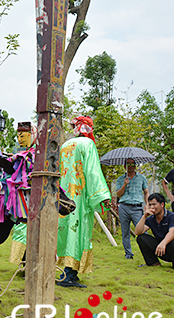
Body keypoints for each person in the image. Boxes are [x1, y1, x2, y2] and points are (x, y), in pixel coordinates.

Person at [57, 116, 111, 288]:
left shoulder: (65, 145)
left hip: (64, 195)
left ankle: (66, 271)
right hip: (79, 196)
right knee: (78, 232)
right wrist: (103, 196)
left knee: (65, 232)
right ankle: (69, 276)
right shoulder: (87, 144)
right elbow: (93, 171)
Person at [9, 122, 37, 267]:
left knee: (30, 227)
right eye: (18, 136)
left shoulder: (35, 153)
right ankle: (23, 261)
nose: (19, 139)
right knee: (21, 226)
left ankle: (30, 261)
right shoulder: (24, 154)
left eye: (22, 135)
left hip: (33, 196)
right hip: (21, 196)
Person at [116, 158, 149, 259]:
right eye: (128, 164)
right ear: (124, 166)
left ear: (135, 166)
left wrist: (147, 204)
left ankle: (148, 253)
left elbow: (146, 191)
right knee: (125, 232)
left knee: (143, 231)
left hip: (137, 208)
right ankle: (128, 254)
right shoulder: (120, 179)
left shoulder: (142, 178)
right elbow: (118, 194)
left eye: (132, 164)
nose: (130, 166)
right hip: (124, 207)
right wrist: (125, 184)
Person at [134, 193, 174, 267]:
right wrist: (144, 216)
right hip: (160, 250)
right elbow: (137, 232)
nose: (152, 207)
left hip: (170, 247)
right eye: (150, 205)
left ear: (162, 204)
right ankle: (153, 263)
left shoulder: (171, 216)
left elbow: (172, 232)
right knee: (141, 238)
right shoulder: (151, 219)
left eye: (154, 204)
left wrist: (163, 243)